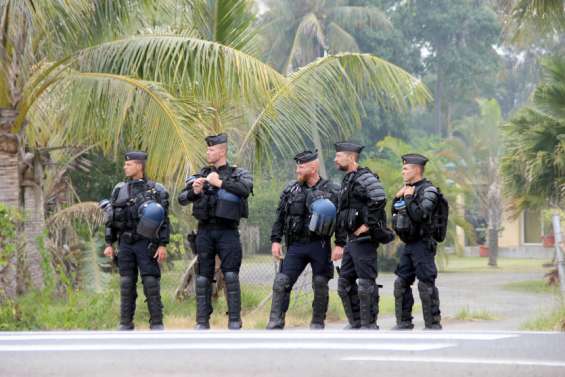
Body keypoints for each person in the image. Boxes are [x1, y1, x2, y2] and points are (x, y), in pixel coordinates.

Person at [178, 133, 253, 330]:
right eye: (208, 149)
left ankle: (235, 320)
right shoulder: (200, 174)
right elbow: (182, 198)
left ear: (222, 150)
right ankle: (202, 321)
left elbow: (245, 190)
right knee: (203, 276)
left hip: (227, 231)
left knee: (230, 275)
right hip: (205, 231)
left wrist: (219, 182)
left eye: (211, 149)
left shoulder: (238, 174)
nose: (207, 152)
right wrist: (195, 191)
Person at [267, 150, 339, 330]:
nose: (297, 170)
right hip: (296, 245)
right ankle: (275, 321)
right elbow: (280, 216)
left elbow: (341, 221)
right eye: (297, 166)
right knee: (282, 281)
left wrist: (340, 244)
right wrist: (275, 241)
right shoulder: (291, 189)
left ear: (313, 167)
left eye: (301, 166)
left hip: (320, 245)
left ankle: (317, 322)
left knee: (320, 283)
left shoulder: (332, 190)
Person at [102, 151, 169, 330]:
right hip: (125, 243)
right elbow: (111, 218)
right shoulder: (119, 189)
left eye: (129, 164)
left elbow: (164, 220)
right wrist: (109, 243)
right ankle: (125, 323)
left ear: (139, 166)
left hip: (146, 243)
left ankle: (156, 323)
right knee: (126, 283)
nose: (125, 167)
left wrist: (163, 244)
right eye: (126, 164)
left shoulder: (156, 190)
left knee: (151, 282)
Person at [332, 142, 395, 330]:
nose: (335, 159)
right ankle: (356, 322)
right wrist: (340, 241)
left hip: (365, 241)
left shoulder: (365, 177)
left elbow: (379, 198)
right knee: (344, 283)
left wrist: (368, 225)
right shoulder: (347, 180)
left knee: (366, 283)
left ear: (351, 157)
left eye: (339, 156)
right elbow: (344, 211)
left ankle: (369, 324)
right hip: (351, 241)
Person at [391, 153, 442, 330]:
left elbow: (421, 216)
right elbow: (396, 216)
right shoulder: (407, 190)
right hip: (409, 244)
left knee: (425, 284)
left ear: (416, 170)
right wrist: (397, 199)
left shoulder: (429, 191)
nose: (402, 172)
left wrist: (408, 198)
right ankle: (404, 322)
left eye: (405, 168)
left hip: (422, 243)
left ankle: (432, 324)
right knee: (400, 282)